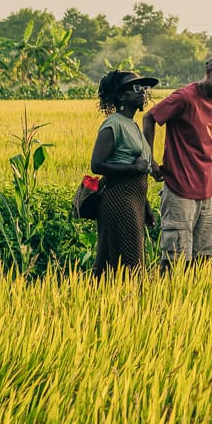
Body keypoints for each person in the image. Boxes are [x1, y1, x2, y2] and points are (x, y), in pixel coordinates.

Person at [143, 52, 212, 266]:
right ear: (209, 73)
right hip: (179, 188)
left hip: (207, 188)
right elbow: (149, 117)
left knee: (208, 256)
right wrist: (150, 160)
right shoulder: (184, 97)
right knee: (175, 258)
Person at [90, 69, 159, 276]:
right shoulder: (114, 124)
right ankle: (125, 304)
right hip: (119, 201)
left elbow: (141, 170)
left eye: (144, 89)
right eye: (137, 88)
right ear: (121, 96)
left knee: (122, 263)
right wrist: (133, 168)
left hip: (134, 202)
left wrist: (145, 206)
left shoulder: (133, 125)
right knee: (129, 264)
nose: (143, 93)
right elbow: (97, 164)